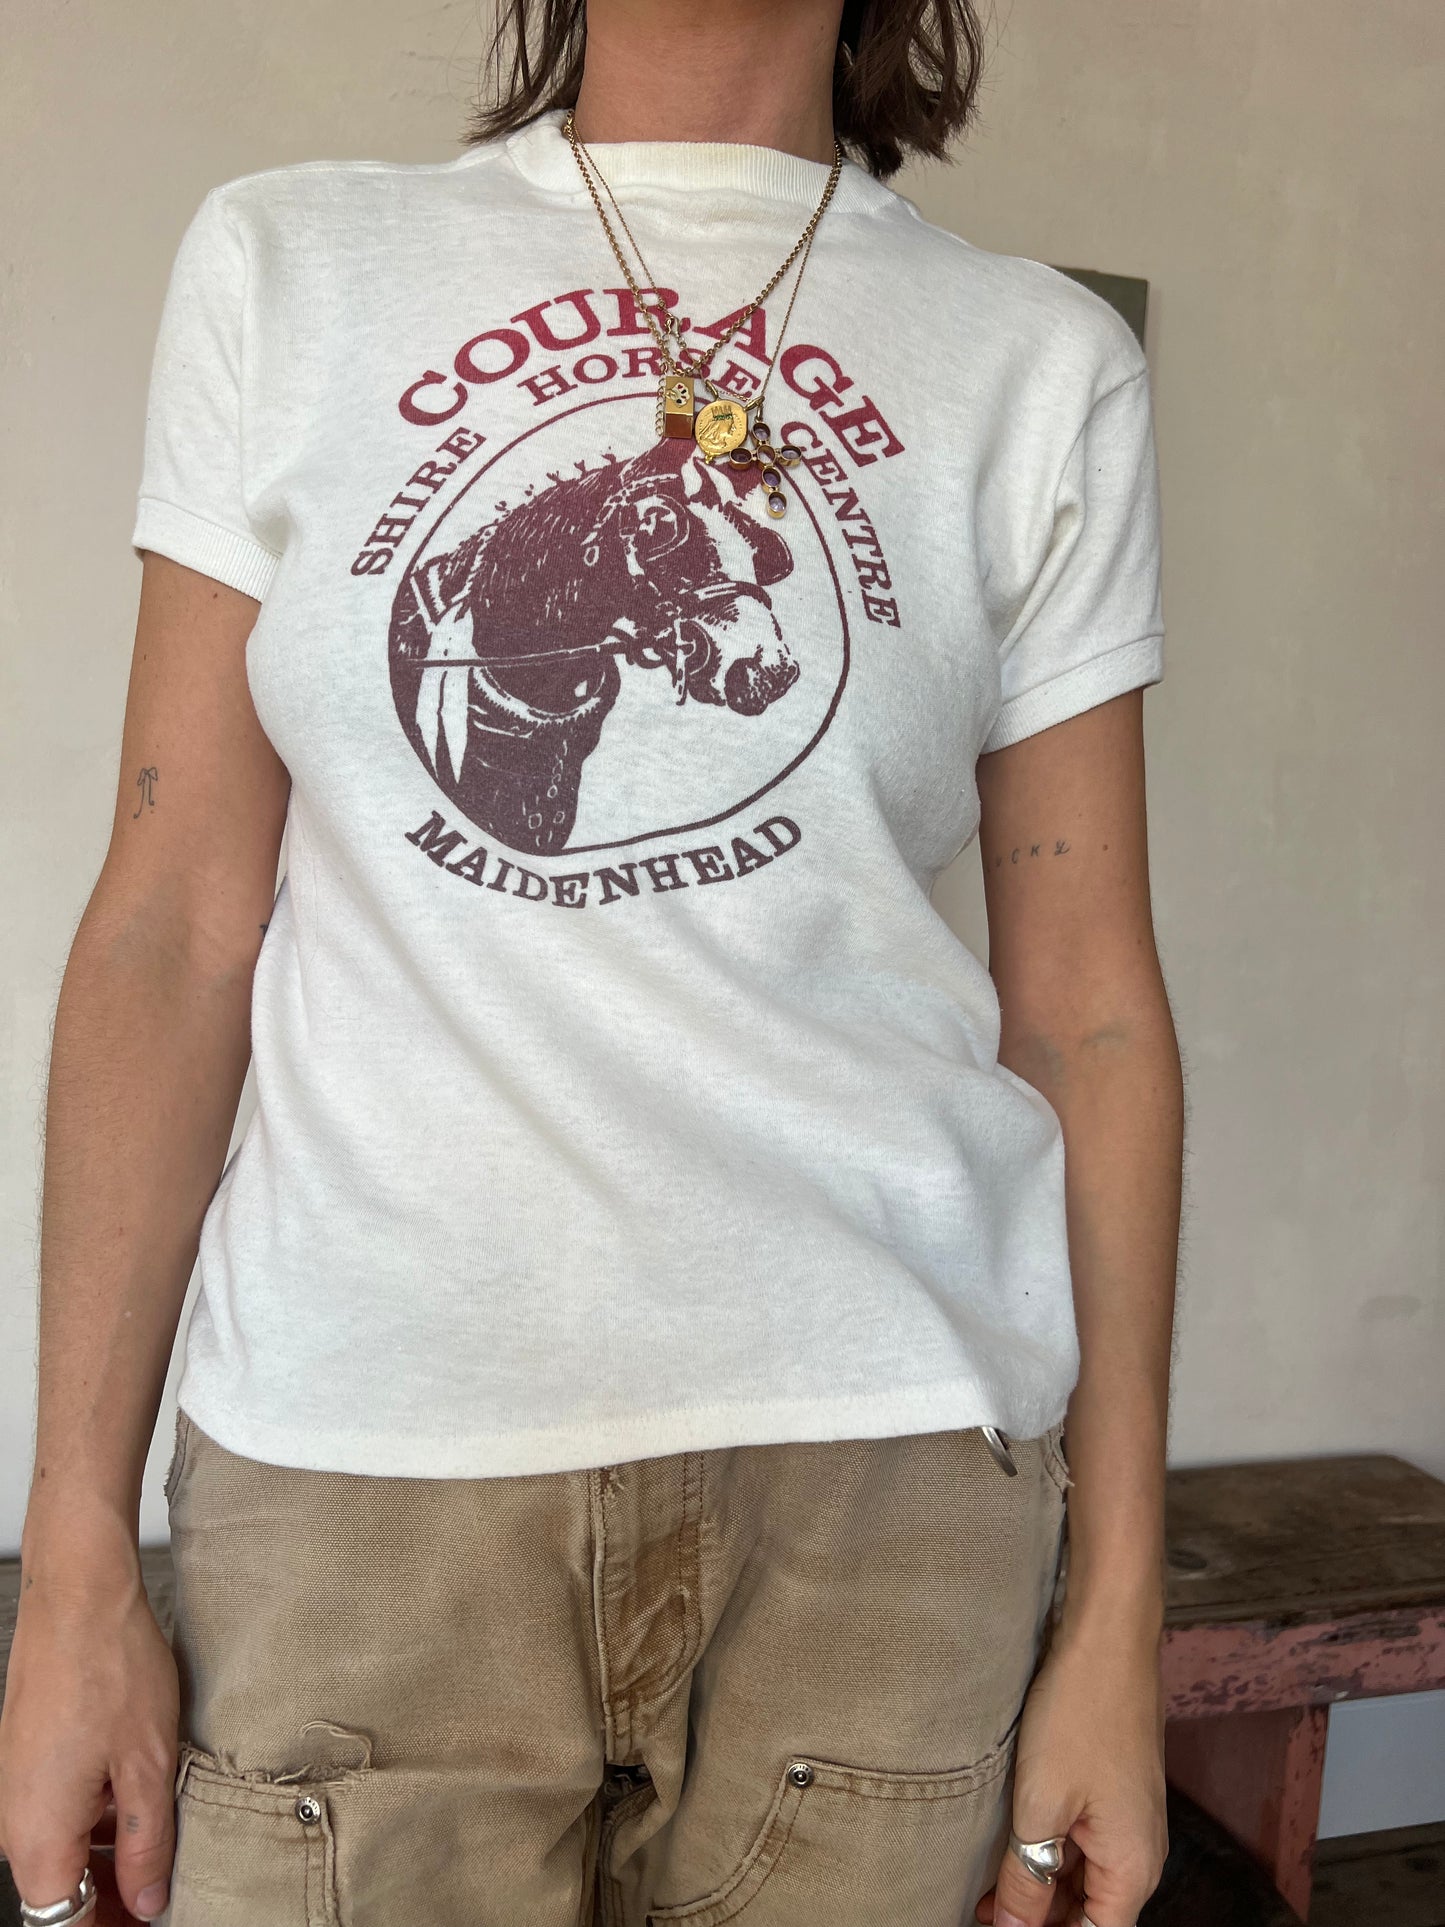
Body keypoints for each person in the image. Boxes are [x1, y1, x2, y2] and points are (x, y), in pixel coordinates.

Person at [0, 1, 1184, 1923]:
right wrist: (72, 1567)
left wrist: (1117, 1611)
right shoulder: (291, 264)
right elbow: (170, 927)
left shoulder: (1042, 363)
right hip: (363, 1470)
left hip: (875, 1486)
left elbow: (1091, 1014)